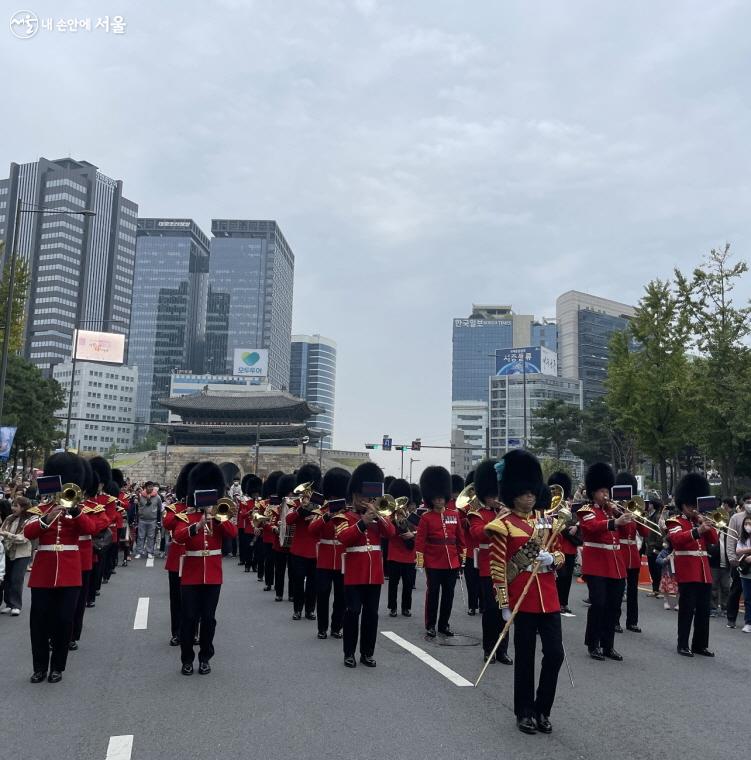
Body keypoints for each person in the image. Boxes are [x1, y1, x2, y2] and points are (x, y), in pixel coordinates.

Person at [486, 449, 565, 735]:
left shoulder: (547, 522)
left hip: (549, 599)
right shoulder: (502, 526)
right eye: (523, 491)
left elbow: (561, 556)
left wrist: (551, 559)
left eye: (532, 491)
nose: (530, 496)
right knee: (525, 659)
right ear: (512, 492)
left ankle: (544, 708)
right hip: (522, 600)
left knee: (555, 655)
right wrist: (504, 604)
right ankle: (525, 712)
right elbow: (498, 569)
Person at [24, 453, 95, 683]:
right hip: (43, 572)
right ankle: (39, 667)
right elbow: (29, 532)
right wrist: (48, 517)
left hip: (69, 573)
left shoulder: (77, 511)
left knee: (64, 621)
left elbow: (90, 528)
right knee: (39, 622)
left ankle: (58, 667)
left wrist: (73, 511)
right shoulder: (42, 509)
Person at [173, 461, 237, 675]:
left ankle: (205, 657)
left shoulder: (220, 516)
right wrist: (197, 525)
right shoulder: (186, 516)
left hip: (213, 575)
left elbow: (232, 533)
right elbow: (178, 536)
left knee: (209, 619)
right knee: (189, 618)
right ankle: (187, 659)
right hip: (191, 575)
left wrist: (216, 517)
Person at [335, 462, 396, 668]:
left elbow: (391, 533)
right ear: (353, 495)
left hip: (374, 574)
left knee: (371, 614)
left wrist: (377, 515)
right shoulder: (346, 516)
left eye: (368, 496)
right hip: (354, 572)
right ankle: (349, 653)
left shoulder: (378, 518)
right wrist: (362, 522)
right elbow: (344, 537)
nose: (364, 500)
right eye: (361, 496)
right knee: (352, 612)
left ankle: (367, 653)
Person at [578, 462, 630, 661]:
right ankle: (593, 644)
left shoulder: (611, 511)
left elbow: (625, 533)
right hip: (597, 565)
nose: (605, 494)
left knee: (613, 606)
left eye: (606, 490)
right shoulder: (586, 510)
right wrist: (614, 521)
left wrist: (623, 517)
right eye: (601, 491)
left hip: (615, 565)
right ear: (593, 492)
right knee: (598, 604)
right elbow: (591, 527)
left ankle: (608, 645)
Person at [667, 472, 718, 657]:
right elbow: (677, 539)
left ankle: (700, 644)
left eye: (695, 505)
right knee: (687, 609)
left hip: (703, 570)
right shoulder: (675, 521)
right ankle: (683, 644)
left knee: (704, 609)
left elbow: (713, 540)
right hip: (688, 570)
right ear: (682, 504)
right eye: (690, 505)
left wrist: (706, 525)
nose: (693, 508)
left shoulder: (700, 521)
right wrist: (697, 531)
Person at [468, 460, 512, 665]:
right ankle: (489, 649)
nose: (496, 499)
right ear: (485, 495)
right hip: (489, 568)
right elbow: (478, 534)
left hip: (509, 568)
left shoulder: (511, 513)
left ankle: (502, 649)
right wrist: (499, 520)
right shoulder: (477, 514)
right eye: (492, 495)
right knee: (491, 611)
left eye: (498, 494)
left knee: (506, 610)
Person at [415, 466, 465, 637]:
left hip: (452, 561)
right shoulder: (426, 517)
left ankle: (444, 624)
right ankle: (430, 624)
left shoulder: (454, 514)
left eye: (441, 498)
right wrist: (420, 562)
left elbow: (460, 538)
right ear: (431, 499)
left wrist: (461, 558)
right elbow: (420, 541)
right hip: (433, 561)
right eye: (436, 498)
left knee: (448, 596)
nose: (439, 500)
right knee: (433, 594)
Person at [309, 467, 350, 639]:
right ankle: (322, 628)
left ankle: (336, 627)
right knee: (323, 594)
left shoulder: (349, 512)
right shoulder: (321, 511)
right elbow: (312, 530)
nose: (334, 498)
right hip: (325, 559)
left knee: (341, 596)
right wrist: (327, 516)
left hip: (342, 559)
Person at [163, 462, 196, 647]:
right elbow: (167, 523)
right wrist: (184, 512)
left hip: (195, 558)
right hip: (177, 558)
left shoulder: (205, 511)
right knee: (176, 599)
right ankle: (177, 631)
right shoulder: (175, 508)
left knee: (195, 600)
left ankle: (194, 632)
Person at [614, 471, 650, 633]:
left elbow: (645, 533)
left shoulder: (633, 510)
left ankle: (632, 621)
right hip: (620, 552)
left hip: (633, 554)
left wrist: (640, 518)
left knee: (633, 591)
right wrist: (619, 513)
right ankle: (615, 621)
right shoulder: (615, 511)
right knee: (618, 590)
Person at [287, 464, 322, 621]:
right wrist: (302, 508)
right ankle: (297, 610)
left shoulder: (321, 503)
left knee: (313, 583)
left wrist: (316, 517)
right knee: (298, 580)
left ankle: (310, 610)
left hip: (314, 549)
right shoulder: (295, 503)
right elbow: (288, 520)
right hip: (299, 549)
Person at [385, 478, 417, 618]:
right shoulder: (389, 517)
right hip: (394, 554)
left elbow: (420, 531)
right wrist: (396, 522)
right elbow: (387, 532)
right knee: (393, 584)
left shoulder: (413, 517)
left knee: (408, 584)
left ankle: (406, 608)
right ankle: (392, 607)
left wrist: (412, 533)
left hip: (409, 556)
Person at [548, 471, 579, 616]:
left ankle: (563, 603)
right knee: (558, 577)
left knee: (566, 579)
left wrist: (576, 526)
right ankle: (555, 602)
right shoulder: (551, 506)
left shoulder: (568, 505)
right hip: (557, 545)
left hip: (570, 547)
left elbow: (574, 521)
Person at [0, 495, 33, 615]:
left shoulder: (29, 520)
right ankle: (8, 603)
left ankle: (16, 605)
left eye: (16, 506)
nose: (13, 508)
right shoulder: (9, 518)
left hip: (22, 554)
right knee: (6, 578)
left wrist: (6, 534)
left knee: (16, 579)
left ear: (24, 508)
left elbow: (23, 539)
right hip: (8, 551)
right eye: (12, 505)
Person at [725, 494, 751, 629]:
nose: (750, 504)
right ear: (743, 503)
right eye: (748, 502)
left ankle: (749, 621)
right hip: (739, 560)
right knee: (736, 589)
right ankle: (731, 618)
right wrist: (731, 558)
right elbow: (731, 539)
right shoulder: (736, 518)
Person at [644, 499, 665, 598]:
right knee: (652, 569)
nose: (647, 505)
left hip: (655, 547)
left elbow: (660, 533)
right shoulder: (651, 516)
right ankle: (655, 590)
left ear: (653, 505)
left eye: (649, 504)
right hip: (650, 546)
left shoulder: (657, 517)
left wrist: (657, 546)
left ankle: (659, 590)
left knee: (657, 569)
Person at [135, 481, 161, 559]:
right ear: (145, 488)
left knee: (151, 537)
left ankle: (150, 552)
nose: (151, 488)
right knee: (141, 536)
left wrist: (159, 520)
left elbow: (160, 508)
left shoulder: (157, 497)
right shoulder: (141, 496)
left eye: (151, 487)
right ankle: (139, 552)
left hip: (152, 520)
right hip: (142, 519)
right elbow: (138, 506)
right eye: (149, 487)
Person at [734, 515, 751, 633]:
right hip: (745, 572)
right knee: (747, 598)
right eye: (746, 524)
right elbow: (738, 551)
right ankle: (748, 622)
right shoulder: (742, 539)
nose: (747, 526)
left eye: (750, 523)